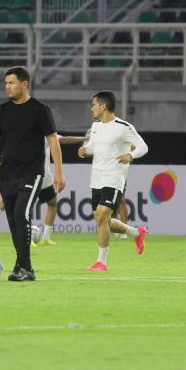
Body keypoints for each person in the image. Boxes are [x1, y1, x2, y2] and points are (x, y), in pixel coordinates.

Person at [0, 66, 66, 281]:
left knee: (20, 214)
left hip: (31, 173)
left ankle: (22, 267)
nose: (7, 87)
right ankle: (25, 268)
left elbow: (53, 140)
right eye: (5, 83)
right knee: (13, 222)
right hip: (6, 174)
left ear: (24, 84)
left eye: (11, 83)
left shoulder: (40, 109)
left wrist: (59, 172)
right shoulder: (2, 110)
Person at [78, 91, 148, 271]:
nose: (91, 108)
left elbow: (143, 146)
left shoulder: (123, 127)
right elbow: (94, 146)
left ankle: (101, 262)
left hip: (114, 178)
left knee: (102, 216)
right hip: (96, 178)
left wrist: (130, 155)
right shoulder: (96, 127)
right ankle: (136, 232)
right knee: (104, 221)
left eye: (94, 104)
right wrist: (85, 150)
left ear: (104, 106)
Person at [0, 135, 86, 246]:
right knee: (45, 205)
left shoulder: (26, 135)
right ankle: (43, 238)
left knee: (16, 200)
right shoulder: (46, 134)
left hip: (27, 174)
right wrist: (84, 138)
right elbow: (64, 140)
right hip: (41, 176)